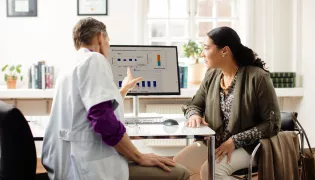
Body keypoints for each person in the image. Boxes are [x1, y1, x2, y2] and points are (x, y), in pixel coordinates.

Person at [41, 17, 190, 180]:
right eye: (108, 41)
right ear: (99, 37)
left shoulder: (71, 65)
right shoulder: (94, 59)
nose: (109, 48)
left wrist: (124, 89)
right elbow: (103, 120)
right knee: (181, 173)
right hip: (89, 168)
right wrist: (139, 156)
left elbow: (88, 109)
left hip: (69, 164)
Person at [173, 27, 281, 180]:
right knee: (178, 167)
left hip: (250, 147)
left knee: (210, 172)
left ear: (225, 51)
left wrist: (235, 141)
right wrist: (194, 115)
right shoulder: (212, 75)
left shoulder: (258, 78)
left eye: (206, 48)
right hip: (215, 143)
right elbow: (194, 104)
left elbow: (272, 123)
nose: (202, 54)